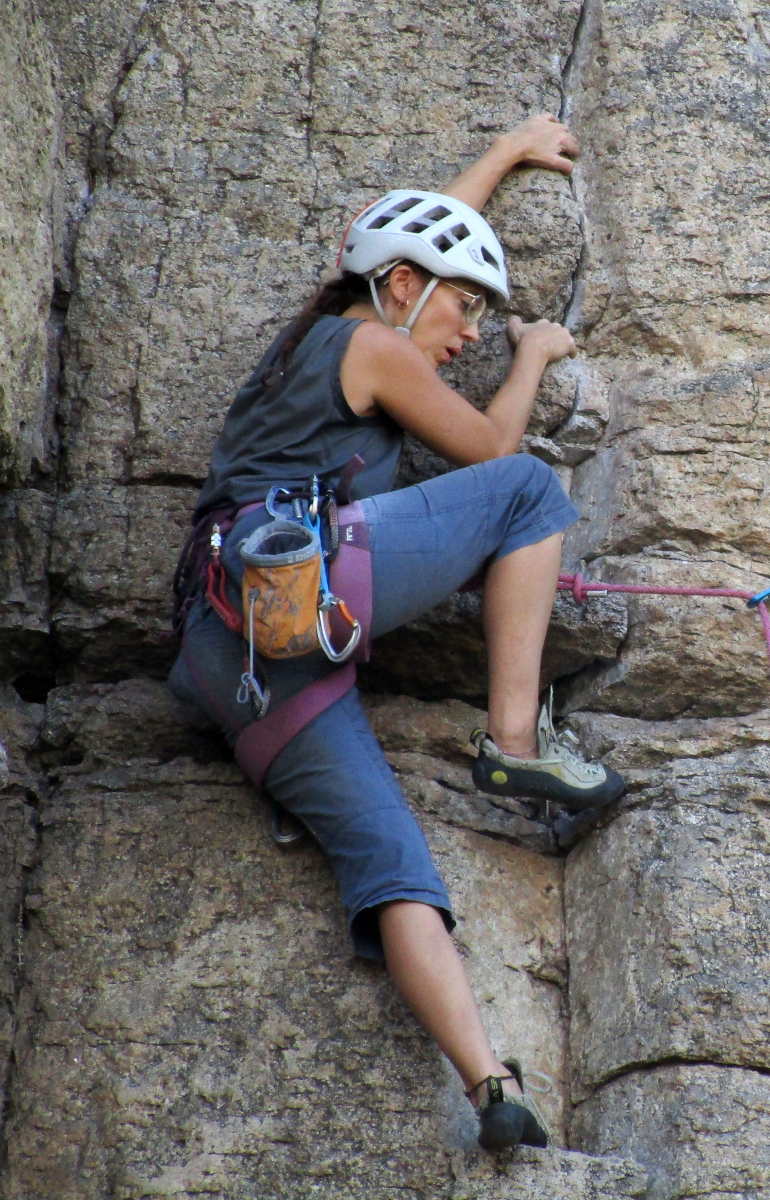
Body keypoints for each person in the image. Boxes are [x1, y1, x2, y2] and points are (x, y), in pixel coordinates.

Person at [167, 114, 623, 1152]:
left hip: (225, 651)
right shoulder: (372, 341)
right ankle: (515, 745)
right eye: (463, 309)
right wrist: (533, 353)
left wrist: (506, 154)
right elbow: (493, 448)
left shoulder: (318, 343)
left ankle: (491, 1086)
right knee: (526, 494)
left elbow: (421, 236)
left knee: (392, 861)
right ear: (404, 285)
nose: (469, 336)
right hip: (298, 581)